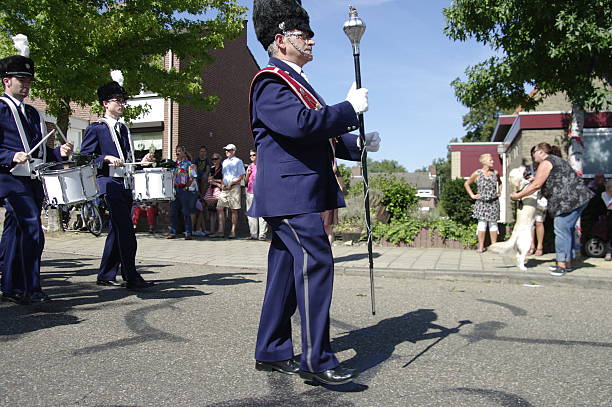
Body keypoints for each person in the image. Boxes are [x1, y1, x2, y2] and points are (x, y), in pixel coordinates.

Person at [250, 0, 380, 385]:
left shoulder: (298, 83)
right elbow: (302, 126)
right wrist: (347, 108)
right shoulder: (270, 80)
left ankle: (272, 350)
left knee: (286, 273)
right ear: (281, 39)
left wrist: (358, 143)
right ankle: (317, 360)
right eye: (303, 34)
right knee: (316, 262)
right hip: (291, 194)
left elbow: (323, 135)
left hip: (298, 192)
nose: (311, 39)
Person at [0, 35, 73, 304]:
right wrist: (10, 155)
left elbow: (39, 153)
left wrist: (58, 153)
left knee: (17, 231)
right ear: (7, 81)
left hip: (31, 179)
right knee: (32, 228)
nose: (27, 84)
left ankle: (11, 287)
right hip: (9, 179)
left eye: (29, 80)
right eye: (22, 80)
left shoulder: (33, 113)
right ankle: (30, 287)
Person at [80, 71, 155, 290]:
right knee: (126, 229)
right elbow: (85, 157)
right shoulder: (97, 128)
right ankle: (131, 276)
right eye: (118, 100)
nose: (122, 104)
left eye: (124, 100)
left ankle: (105, 274)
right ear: (105, 103)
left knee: (116, 228)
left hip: (125, 184)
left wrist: (142, 162)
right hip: (109, 184)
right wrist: (105, 158)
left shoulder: (123, 129)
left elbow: (126, 159)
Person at [511, 142, 594, 276]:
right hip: (579, 198)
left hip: (567, 201)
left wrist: (518, 195)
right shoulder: (556, 160)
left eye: (533, 154)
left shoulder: (546, 162)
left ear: (540, 151)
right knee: (567, 231)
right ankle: (566, 264)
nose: (533, 157)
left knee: (561, 230)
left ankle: (561, 265)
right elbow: (550, 179)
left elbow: (537, 184)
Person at [464, 153, 501, 253]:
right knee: (482, 224)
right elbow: (467, 184)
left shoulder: (495, 173)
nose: (493, 162)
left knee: (493, 224)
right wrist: (472, 195)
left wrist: (499, 192)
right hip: (481, 203)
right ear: (484, 162)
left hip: (493, 202)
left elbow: (500, 183)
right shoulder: (477, 173)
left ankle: (494, 247)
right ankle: (481, 247)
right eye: (490, 160)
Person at [212, 143, 245, 239]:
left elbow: (241, 176)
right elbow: (224, 176)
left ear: (233, 151)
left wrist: (231, 183)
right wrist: (222, 184)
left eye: (229, 150)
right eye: (226, 150)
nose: (226, 152)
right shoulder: (225, 162)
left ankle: (233, 231)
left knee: (233, 210)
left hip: (234, 188)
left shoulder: (238, 161)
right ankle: (221, 231)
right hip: (225, 188)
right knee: (219, 207)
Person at [166, 145, 198, 240]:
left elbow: (193, 176)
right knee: (173, 212)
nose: (177, 153)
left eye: (179, 151)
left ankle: (188, 233)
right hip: (174, 190)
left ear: (184, 152)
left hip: (183, 189)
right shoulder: (173, 164)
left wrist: (186, 187)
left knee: (186, 212)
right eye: (176, 151)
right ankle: (173, 232)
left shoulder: (188, 164)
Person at [527, 146, 546, 256]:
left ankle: (540, 246)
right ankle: (531, 245)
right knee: (530, 223)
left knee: (539, 222)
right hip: (529, 198)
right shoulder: (528, 168)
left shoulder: (545, 166)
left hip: (541, 198)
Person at [245, 149, 268, 240]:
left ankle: (262, 234)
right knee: (251, 214)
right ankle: (253, 234)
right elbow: (246, 181)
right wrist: (247, 173)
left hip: (261, 192)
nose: (252, 157)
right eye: (250, 155)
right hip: (250, 192)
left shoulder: (262, 165)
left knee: (261, 213)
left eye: (254, 155)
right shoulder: (250, 166)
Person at [192, 146, 211, 236]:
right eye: (201, 151)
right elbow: (194, 171)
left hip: (203, 180)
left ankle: (201, 229)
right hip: (197, 181)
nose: (202, 153)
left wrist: (205, 176)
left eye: (204, 151)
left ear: (206, 153)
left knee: (202, 209)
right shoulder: (196, 160)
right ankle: (199, 229)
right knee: (200, 209)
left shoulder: (207, 160)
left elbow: (207, 171)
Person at [602, 179, 612, 261]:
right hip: (608, 215)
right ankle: (608, 252)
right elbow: (608, 205)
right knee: (609, 235)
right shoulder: (604, 195)